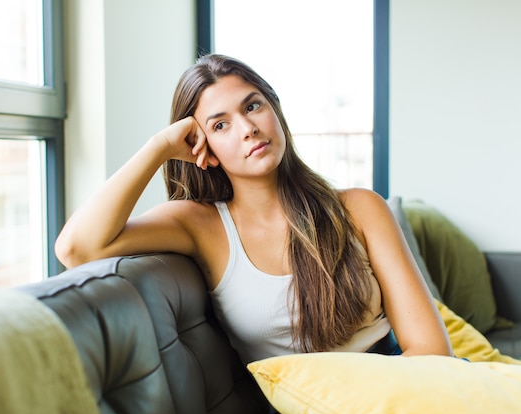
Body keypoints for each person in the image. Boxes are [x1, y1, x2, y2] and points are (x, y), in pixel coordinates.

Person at [55, 54, 453, 363]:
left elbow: (432, 349)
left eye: (252, 106)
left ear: (274, 109)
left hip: (398, 392)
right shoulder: (200, 224)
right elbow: (76, 249)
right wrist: (159, 147)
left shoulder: (360, 208)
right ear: (200, 145)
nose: (248, 128)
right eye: (219, 125)